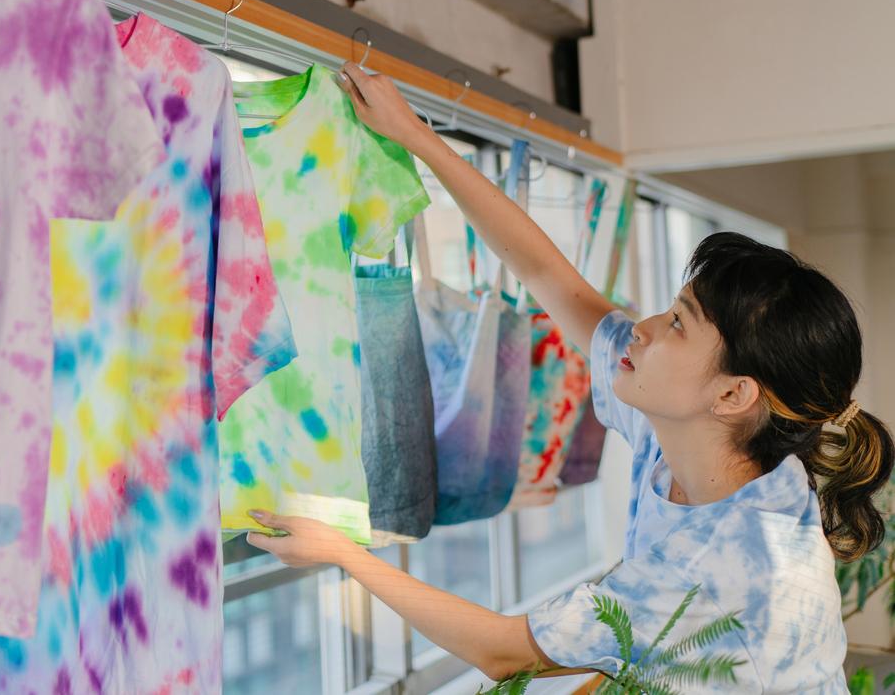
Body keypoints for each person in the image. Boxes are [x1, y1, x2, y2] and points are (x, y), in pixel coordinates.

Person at [244, 62, 893, 692]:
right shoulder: (682, 430)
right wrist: (416, 137)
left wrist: (341, 552)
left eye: (678, 325)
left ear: (733, 394)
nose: (643, 326)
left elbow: (503, 653)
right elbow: (549, 277)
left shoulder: (726, 558)